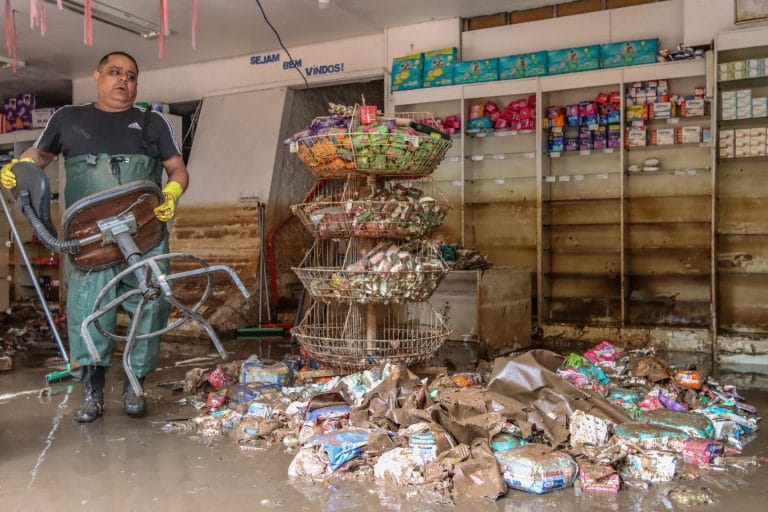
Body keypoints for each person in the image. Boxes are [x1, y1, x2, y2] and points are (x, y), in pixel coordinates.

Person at [1, 51, 188, 423]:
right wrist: (18, 168)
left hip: (145, 235)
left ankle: (136, 385)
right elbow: (38, 157)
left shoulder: (153, 123)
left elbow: (177, 169)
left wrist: (171, 194)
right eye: (115, 72)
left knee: (149, 308)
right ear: (97, 76)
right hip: (88, 240)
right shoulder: (68, 119)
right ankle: (93, 390)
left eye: (131, 75)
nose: (123, 80)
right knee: (87, 311)